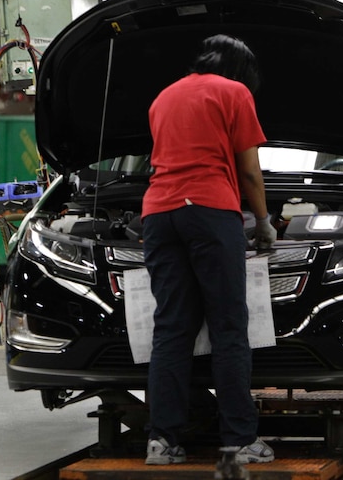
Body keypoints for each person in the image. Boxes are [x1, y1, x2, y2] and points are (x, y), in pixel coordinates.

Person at [141, 34, 278, 470]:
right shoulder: (234, 92)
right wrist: (263, 222)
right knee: (228, 327)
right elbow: (249, 171)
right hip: (209, 211)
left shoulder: (163, 96)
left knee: (171, 329)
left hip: (159, 214)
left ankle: (162, 442)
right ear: (242, 71)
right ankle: (240, 440)